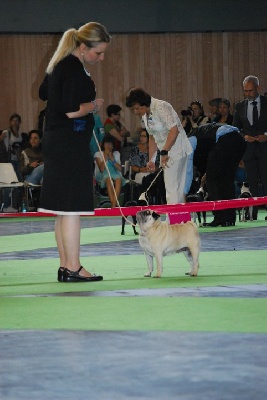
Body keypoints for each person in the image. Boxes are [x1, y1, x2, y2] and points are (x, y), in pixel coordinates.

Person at [38, 21, 111, 282]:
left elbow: (44, 91)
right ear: (82, 47)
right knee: (71, 209)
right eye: (98, 53)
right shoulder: (72, 67)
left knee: (62, 209)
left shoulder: (60, 64)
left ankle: (65, 266)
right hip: (69, 143)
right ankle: (73, 267)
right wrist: (93, 105)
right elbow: (71, 110)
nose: (100, 58)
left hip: (57, 141)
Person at [126, 88, 192, 204]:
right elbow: (152, 136)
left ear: (144, 102)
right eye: (133, 109)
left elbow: (174, 130)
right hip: (166, 151)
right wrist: (151, 159)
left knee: (172, 188)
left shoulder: (161, 107)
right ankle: (182, 220)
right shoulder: (145, 114)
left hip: (176, 149)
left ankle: (174, 220)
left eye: (137, 108)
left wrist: (164, 151)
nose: (135, 112)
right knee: (174, 188)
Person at [233, 75, 267, 220]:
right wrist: (244, 137)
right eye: (245, 91)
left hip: (265, 148)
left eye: (250, 91)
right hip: (248, 150)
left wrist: (266, 135)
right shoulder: (239, 106)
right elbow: (235, 129)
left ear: (258, 88)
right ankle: (253, 212)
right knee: (251, 181)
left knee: (266, 180)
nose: (247, 94)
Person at [128, 128, 166, 204]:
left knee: (159, 177)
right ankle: (142, 202)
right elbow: (132, 166)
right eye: (140, 136)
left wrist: (154, 169)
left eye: (144, 136)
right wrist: (142, 169)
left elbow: (159, 165)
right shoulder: (135, 150)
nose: (141, 138)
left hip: (152, 173)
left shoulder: (155, 150)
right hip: (139, 172)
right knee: (146, 179)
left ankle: (163, 201)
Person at [94, 134, 127, 207]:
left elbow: (120, 169)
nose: (108, 145)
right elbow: (101, 169)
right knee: (108, 179)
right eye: (106, 143)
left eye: (110, 143)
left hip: (115, 173)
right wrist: (105, 157)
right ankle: (114, 206)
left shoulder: (116, 153)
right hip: (103, 175)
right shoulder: (98, 154)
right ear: (103, 144)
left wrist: (113, 159)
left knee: (118, 179)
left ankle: (113, 205)